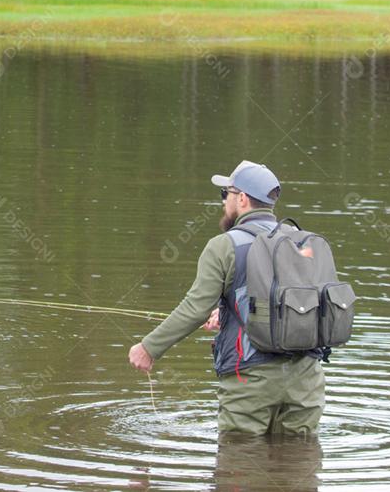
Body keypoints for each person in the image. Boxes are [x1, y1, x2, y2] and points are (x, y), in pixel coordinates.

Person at [127, 160, 325, 436]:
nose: (223, 202)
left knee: (238, 466)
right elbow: (299, 303)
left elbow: (195, 308)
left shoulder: (223, 246)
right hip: (307, 380)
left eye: (226, 195)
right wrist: (232, 310)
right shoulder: (302, 242)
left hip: (250, 381)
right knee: (298, 467)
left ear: (242, 199)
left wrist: (149, 348)